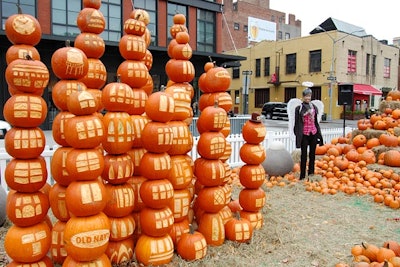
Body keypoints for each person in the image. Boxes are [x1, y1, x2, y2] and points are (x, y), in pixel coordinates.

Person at [294, 88, 323, 180]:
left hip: (313, 132)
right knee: (304, 155)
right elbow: (297, 122)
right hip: (304, 134)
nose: (308, 98)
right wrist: (306, 113)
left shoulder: (314, 106)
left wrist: (319, 134)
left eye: (309, 96)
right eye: (306, 96)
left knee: (312, 154)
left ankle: (311, 172)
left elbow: (315, 121)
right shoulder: (299, 108)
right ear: (303, 97)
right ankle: (302, 175)